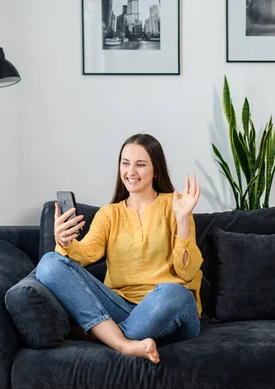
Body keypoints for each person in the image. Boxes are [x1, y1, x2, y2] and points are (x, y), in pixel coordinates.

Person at [35, 133, 203, 364]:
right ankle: (124, 343)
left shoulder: (175, 205)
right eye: (125, 163)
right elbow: (84, 256)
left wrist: (183, 219)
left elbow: (187, 271)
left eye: (140, 164)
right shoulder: (109, 214)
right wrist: (64, 242)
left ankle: (102, 334)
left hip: (169, 309)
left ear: (156, 169)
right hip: (120, 306)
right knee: (49, 263)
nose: (130, 172)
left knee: (173, 292)